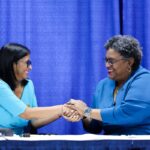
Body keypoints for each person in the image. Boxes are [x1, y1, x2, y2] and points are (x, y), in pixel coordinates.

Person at [64, 35, 150, 135]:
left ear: (129, 62)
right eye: (106, 60)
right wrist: (82, 114)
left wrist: (86, 111)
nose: (107, 65)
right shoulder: (103, 85)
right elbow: (95, 127)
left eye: (111, 61)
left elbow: (125, 114)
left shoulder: (145, 80)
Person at [0, 43, 64, 135]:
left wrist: (62, 113)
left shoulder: (28, 84)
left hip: (21, 141)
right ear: (12, 64)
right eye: (27, 63)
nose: (30, 67)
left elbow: (34, 121)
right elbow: (26, 113)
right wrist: (62, 108)